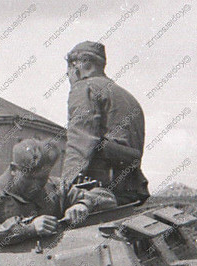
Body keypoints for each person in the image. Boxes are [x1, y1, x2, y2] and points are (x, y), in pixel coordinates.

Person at [0, 139, 116, 250]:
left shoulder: (57, 188)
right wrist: (28, 229)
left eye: (42, 179)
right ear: (14, 169)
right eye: (30, 179)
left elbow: (107, 198)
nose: (36, 185)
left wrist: (83, 205)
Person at [61, 41, 149, 205]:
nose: (69, 76)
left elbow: (80, 141)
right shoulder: (127, 97)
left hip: (98, 191)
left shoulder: (84, 88)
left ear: (77, 65)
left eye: (69, 70)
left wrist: (64, 188)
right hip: (130, 191)